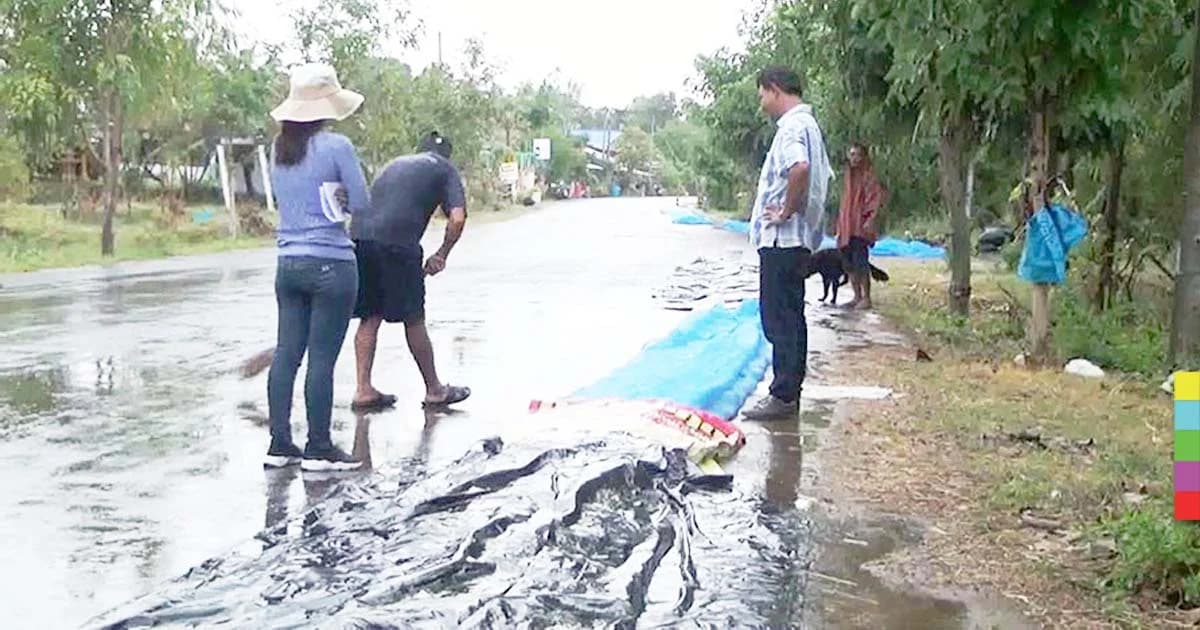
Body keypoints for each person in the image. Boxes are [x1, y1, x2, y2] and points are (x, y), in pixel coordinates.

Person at [264, 63, 369, 471]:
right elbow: (361, 203)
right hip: (331, 263)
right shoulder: (336, 147)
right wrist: (343, 198)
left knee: (287, 353)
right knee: (321, 357)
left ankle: (279, 444)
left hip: (287, 263)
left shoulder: (278, 149)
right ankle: (319, 446)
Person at [349, 131, 471, 412]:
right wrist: (442, 254)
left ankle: (363, 389)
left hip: (360, 239)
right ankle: (435, 390)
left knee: (370, 316)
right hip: (398, 244)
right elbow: (457, 218)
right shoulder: (445, 169)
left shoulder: (395, 164)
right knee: (413, 318)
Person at [742, 66, 834, 421]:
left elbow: (800, 168)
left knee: (779, 317)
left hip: (783, 239)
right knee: (791, 316)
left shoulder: (793, 127)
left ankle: (783, 395)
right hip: (798, 241)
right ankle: (788, 393)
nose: (762, 101)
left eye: (762, 93)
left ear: (775, 89)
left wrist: (785, 210)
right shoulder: (809, 126)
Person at [836, 143, 888, 310]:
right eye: (851, 155)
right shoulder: (848, 176)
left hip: (860, 226)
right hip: (847, 226)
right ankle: (856, 296)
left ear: (864, 157)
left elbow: (875, 200)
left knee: (861, 262)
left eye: (857, 155)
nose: (854, 159)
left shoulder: (869, 176)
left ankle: (866, 298)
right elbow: (845, 202)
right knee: (848, 263)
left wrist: (870, 220)